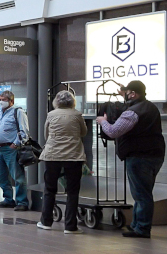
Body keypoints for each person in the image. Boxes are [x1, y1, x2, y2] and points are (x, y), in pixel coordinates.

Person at [97, 80, 165, 239]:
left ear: (133, 93)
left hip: (139, 157)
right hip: (155, 155)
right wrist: (123, 91)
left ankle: (142, 228)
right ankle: (136, 224)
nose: (125, 95)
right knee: (143, 192)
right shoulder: (150, 107)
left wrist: (103, 122)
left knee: (141, 194)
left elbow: (114, 131)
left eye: (127, 92)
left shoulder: (132, 112)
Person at [38, 91, 87, 234]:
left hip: (53, 155)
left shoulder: (51, 114)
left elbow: (46, 135)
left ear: (56, 101)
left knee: (49, 189)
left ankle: (46, 222)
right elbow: (83, 132)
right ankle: (70, 226)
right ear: (72, 101)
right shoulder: (77, 115)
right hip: (73, 156)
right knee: (72, 191)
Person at [0, 90, 30, 211]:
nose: (1, 102)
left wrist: (15, 144)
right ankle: (8, 199)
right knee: (1, 176)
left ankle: (22, 201)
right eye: (0, 99)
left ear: (11, 101)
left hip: (11, 148)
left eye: (4, 100)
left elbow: (24, 131)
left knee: (17, 176)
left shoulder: (18, 112)